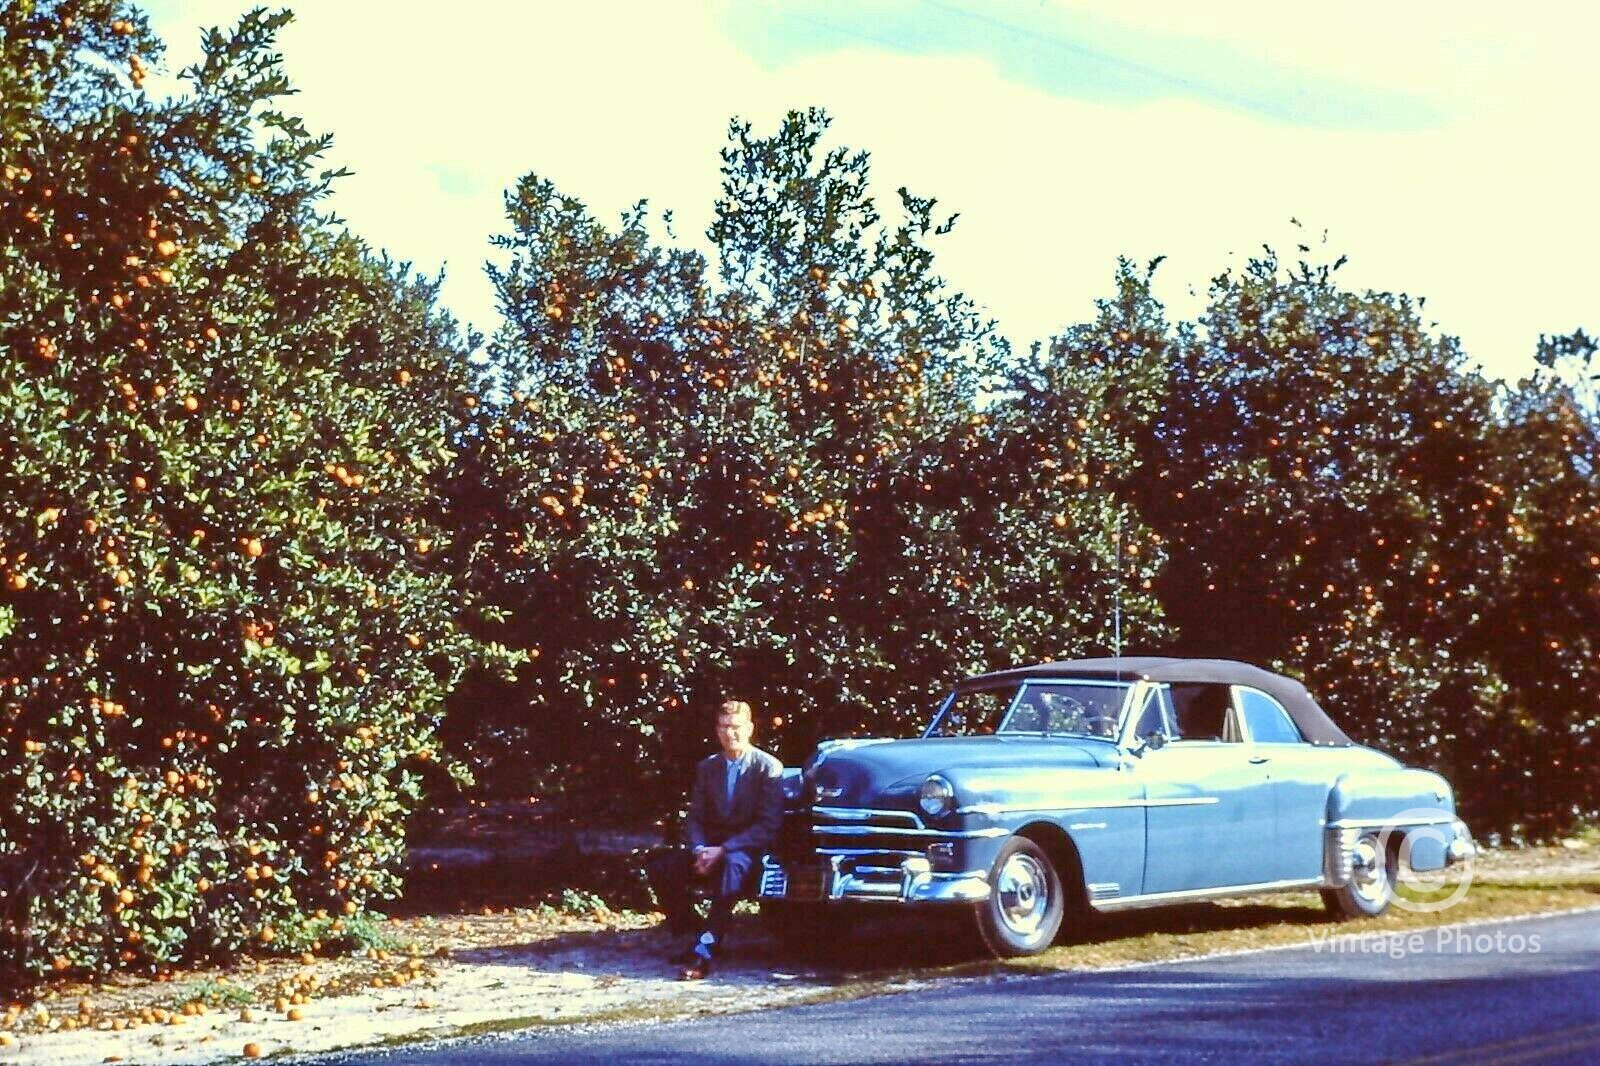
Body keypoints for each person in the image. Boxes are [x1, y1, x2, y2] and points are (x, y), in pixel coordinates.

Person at [647, 699, 784, 980]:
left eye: (735, 728)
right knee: (661, 864)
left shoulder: (767, 767)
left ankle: (704, 952)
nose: (729, 734)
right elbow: (695, 817)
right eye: (723, 728)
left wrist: (723, 850)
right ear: (716, 730)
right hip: (710, 846)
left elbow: (768, 825)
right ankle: (693, 933)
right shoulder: (708, 767)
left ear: (749, 729)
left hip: (746, 848)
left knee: (732, 867)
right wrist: (699, 850)